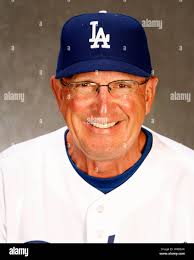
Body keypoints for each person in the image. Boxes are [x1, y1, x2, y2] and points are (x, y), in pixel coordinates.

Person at [0, 11, 194, 244]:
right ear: (60, 93)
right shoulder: (9, 175)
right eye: (85, 85)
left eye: (122, 85)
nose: (103, 108)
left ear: (148, 94)